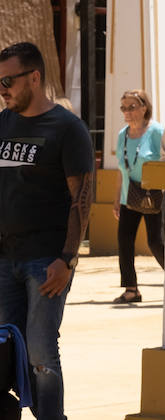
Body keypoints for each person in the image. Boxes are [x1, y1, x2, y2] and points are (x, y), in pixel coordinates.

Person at [0, 41, 94, 420]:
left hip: (46, 262)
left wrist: (67, 259)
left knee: (40, 352)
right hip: (5, 260)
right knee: (7, 348)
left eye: (8, 80)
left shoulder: (67, 129)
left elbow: (82, 200)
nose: (2, 88)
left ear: (34, 78)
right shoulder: (3, 123)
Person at [113, 90, 165, 304]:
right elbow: (120, 170)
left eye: (132, 107)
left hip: (154, 194)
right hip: (129, 197)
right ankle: (131, 289)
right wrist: (117, 199)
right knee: (124, 241)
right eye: (124, 108)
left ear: (144, 107)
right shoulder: (122, 135)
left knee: (155, 241)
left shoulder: (157, 131)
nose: (127, 112)